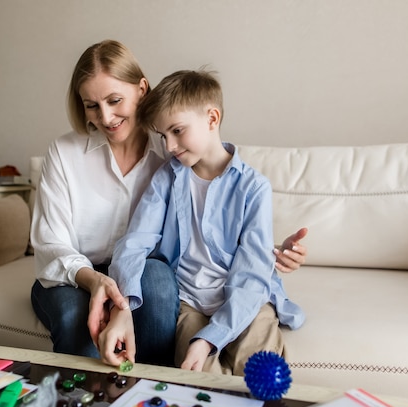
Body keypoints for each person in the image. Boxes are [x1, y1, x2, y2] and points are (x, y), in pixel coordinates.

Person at [30, 39, 308, 368]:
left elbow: (223, 235)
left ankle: (152, 388)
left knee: (163, 288)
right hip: (78, 275)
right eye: (92, 105)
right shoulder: (73, 155)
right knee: (80, 317)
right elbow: (59, 243)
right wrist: (108, 292)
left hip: (166, 276)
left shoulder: (175, 156)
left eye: (114, 100)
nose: (105, 116)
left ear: (141, 90)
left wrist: (267, 253)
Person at [101, 69, 305, 375]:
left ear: (212, 119)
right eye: (163, 135)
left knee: (263, 373)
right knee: (199, 378)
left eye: (177, 131)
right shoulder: (166, 178)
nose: (169, 145)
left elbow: (251, 273)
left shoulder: (253, 187)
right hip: (188, 301)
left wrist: (210, 338)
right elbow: (134, 242)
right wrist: (123, 305)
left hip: (243, 300)